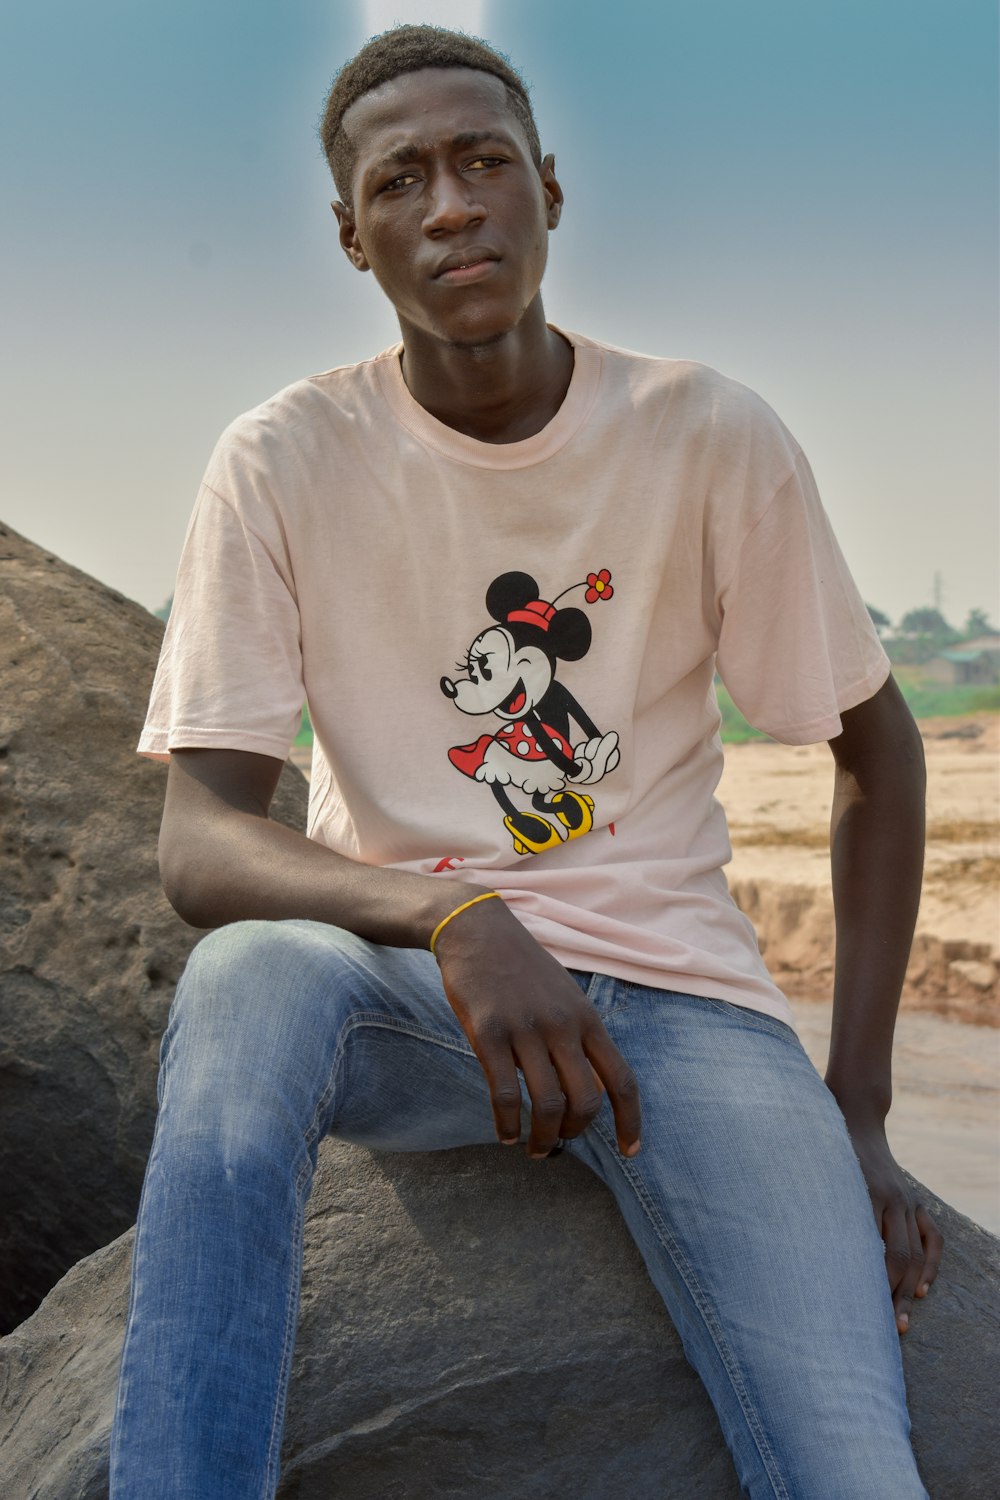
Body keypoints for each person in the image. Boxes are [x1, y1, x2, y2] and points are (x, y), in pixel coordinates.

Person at [110, 23, 943, 1499]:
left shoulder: (706, 435)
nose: (452, 204)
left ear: (550, 188)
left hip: (682, 1005)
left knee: (854, 1470)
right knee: (246, 983)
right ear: (352, 233)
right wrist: (453, 912)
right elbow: (201, 841)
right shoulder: (281, 461)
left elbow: (873, 742)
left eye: (485, 161)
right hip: (421, 1001)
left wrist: (858, 1111)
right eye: (403, 179)